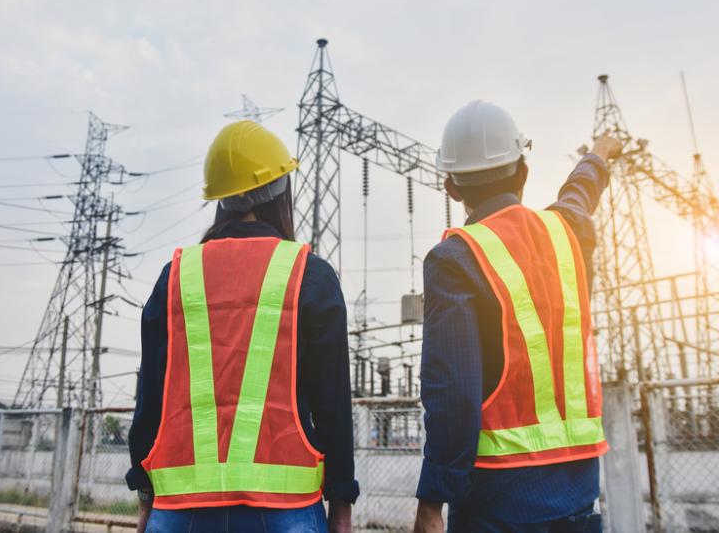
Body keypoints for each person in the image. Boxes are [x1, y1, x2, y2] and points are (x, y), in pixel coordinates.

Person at [126, 120, 358, 533]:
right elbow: (333, 405)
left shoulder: (176, 277)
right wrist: (341, 504)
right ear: (280, 193)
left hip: (180, 509)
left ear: (218, 199)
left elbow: (151, 401)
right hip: (287, 511)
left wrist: (145, 495)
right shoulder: (310, 274)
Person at [413, 100, 622, 533]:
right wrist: (598, 155)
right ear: (523, 171)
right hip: (581, 492)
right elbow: (579, 195)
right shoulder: (568, 232)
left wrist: (433, 500)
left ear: (451, 187)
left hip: (497, 501)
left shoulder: (455, 257)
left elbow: (452, 388)